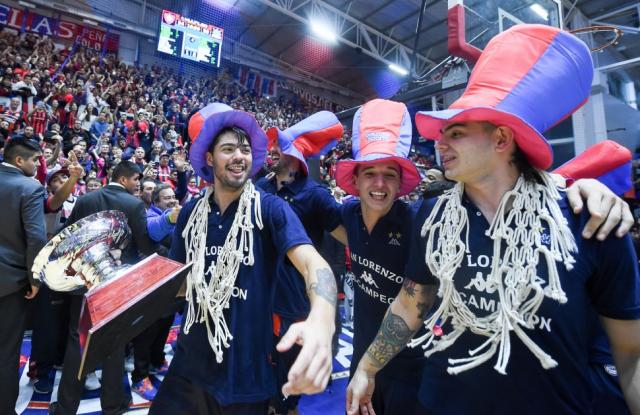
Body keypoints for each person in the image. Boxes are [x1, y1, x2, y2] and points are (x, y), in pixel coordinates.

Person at [346, 24, 640, 415]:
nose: (439, 142)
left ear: (501, 139)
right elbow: (412, 301)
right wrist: (367, 365)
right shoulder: (433, 216)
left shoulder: (589, 219)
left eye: (456, 131)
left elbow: (631, 355)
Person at [150, 103, 336, 414]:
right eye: (228, 149)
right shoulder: (191, 213)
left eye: (245, 149)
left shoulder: (271, 209)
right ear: (209, 158)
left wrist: (322, 319)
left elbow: (314, 264)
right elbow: (179, 283)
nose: (240, 156)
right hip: (189, 365)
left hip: (246, 373)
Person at [49, 160, 157, 415]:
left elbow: (68, 236)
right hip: (117, 281)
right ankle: (114, 405)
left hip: (84, 279)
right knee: (115, 341)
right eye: (136, 181)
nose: (138, 186)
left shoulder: (85, 200)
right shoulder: (133, 204)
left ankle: (65, 407)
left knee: (78, 341)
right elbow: (144, 245)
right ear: (125, 178)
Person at [255, 111, 345, 415]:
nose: (271, 151)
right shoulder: (260, 189)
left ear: (293, 154)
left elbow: (347, 236)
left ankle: (288, 406)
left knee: (289, 367)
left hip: (296, 297)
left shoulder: (315, 195)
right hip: (260, 290)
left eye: (278, 146)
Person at [0, 137, 46, 415]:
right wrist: (36, 279)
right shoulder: (29, 187)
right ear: (20, 161)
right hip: (10, 282)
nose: (39, 165)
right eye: (35, 160)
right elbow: (36, 238)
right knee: (6, 352)